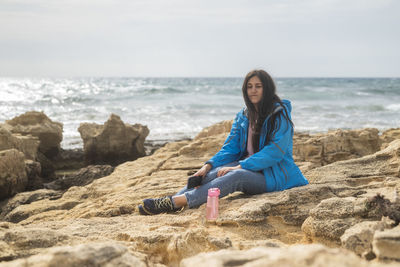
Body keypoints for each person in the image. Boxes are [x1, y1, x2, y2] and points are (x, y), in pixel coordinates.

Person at [138, 69, 309, 215]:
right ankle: (170, 202)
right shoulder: (244, 115)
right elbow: (230, 148)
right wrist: (208, 166)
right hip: (250, 167)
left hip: (275, 175)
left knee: (235, 176)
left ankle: (176, 202)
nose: (253, 91)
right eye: (249, 87)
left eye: (258, 86)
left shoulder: (280, 115)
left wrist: (241, 166)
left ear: (267, 89)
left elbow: (275, 152)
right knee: (214, 173)